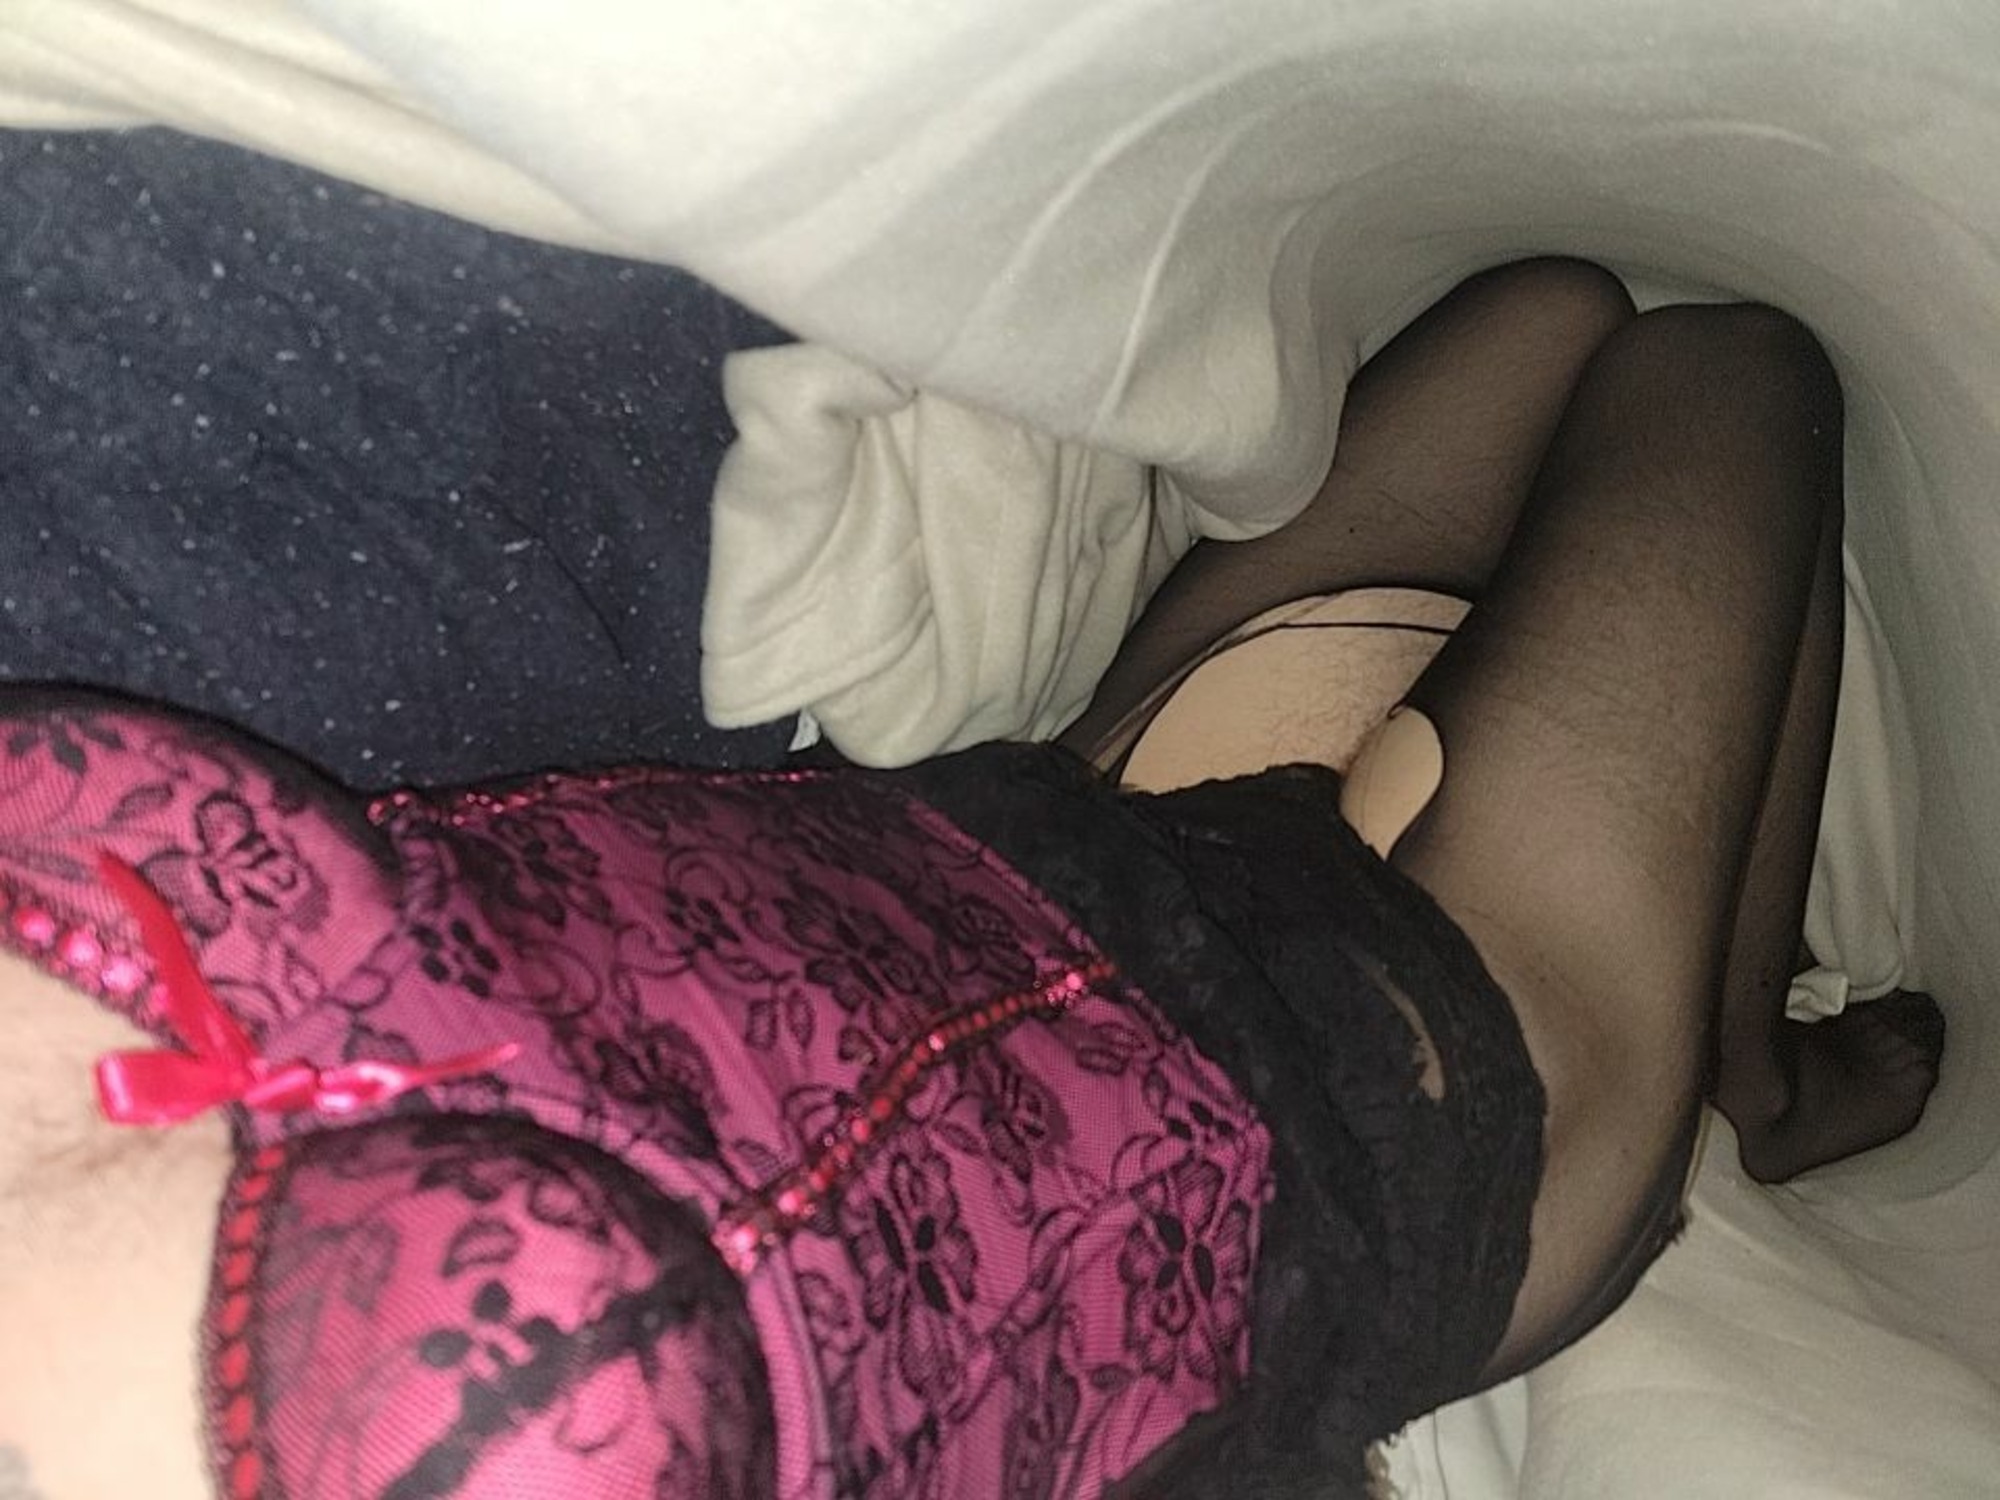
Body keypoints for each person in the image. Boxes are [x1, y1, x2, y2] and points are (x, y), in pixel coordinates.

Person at [0, 259, 1943, 1500]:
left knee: (1548, 317)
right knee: (1727, 365)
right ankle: (1747, 1084)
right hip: (1402, 1133)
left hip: (1067, 862)